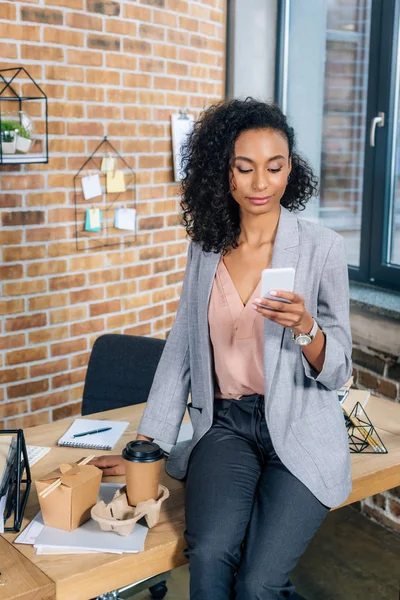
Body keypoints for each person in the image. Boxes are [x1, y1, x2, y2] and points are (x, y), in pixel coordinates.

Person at [91, 98, 352, 600]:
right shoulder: (205, 249)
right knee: (209, 558)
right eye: (245, 167)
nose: (261, 184)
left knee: (257, 584)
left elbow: (339, 368)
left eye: (274, 168)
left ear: (289, 171)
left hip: (299, 426)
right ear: (225, 173)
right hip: (227, 425)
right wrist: (148, 449)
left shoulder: (322, 248)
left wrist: (306, 328)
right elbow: (181, 355)